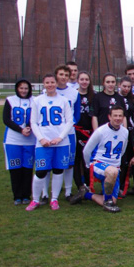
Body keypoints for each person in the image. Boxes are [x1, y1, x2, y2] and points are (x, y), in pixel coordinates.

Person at [26, 74, 74, 211]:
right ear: (44, 84)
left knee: (58, 171)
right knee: (41, 171)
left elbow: (69, 121)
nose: (50, 85)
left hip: (61, 143)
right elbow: (33, 122)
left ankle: (54, 199)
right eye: (47, 83)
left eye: (52, 82)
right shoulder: (37, 100)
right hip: (43, 142)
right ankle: (35, 199)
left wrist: (60, 137)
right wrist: (41, 138)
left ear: (56, 83)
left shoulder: (63, 100)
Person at [70, 106, 128, 213]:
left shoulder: (125, 132)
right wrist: (89, 166)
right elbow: (86, 150)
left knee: (113, 200)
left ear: (123, 117)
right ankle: (108, 203)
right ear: (109, 117)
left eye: (120, 116)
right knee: (112, 171)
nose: (118, 118)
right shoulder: (101, 131)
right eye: (115, 115)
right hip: (98, 164)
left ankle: (85, 194)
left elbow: (122, 151)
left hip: (114, 168)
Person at [3, 79, 35, 206]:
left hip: (30, 140)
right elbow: (6, 119)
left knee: (27, 169)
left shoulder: (34, 101)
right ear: (17, 88)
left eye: (26, 88)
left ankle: (26, 195)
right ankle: (17, 196)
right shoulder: (10, 100)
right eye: (21, 88)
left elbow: (34, 117)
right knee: (15, 168)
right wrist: (20, 130)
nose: (23, 90)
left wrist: (28, 127)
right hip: (13, 140)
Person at [54, 65, 81, 201]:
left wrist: (67, 127)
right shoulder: (49, 91)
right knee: (52, 163)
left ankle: (68, 191)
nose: (63, 77)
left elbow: (76, 114)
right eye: (61, 74)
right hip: (52, 133)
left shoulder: (74, 93)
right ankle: (48, 193)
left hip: (69, 133)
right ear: (56, 76)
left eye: (66, 75)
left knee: (69, 162)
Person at [118, 75, 134, 196]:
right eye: (124, 86)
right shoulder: (116, 98)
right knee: (122, 160)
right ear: (119, 85)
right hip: (119, 133)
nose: (126, 89)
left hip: (132, 132)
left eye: (128, 87)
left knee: (133, 159)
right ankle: (119, 185)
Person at [73, 71, 94, 190]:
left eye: (86, 79)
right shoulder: (73, 95)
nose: (84, 82)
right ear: (78, 81)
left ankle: (88, 184)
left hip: (89, 132)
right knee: (77, 159)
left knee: (87, 158)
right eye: (82, 79)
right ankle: (79, 185)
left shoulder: (94, 96)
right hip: (76, 131)